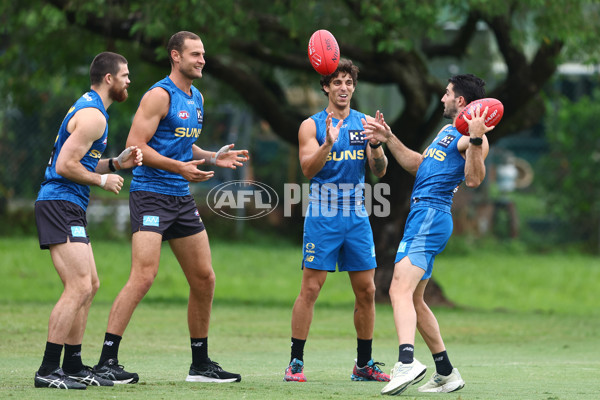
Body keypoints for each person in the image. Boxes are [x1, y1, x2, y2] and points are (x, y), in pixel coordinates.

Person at [93, 31, 248, 384]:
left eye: (203, 54)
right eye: (195, 54)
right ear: (175, 56)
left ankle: (200, 365)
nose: (202, 60)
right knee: (144, 276)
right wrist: (178, 168)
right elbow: (135, 147)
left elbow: (181, 143)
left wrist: (212, 155)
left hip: (180, 198)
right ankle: (106, 361)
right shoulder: (159, 95)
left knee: (204, 279)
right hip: (150, 194)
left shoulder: (197, 98)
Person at [362, 74, 492, 396]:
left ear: (461, 101)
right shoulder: (448, 132)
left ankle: (406, 362)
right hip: (424, 216)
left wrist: (476, 139)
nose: (443, 98)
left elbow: (474, 179)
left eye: (447, 93)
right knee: (415, 300)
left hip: (431, 215)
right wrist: (389, 138)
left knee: (397, 289)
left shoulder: (469, 136)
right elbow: (420, 165)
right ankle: (446, 372)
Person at [33, 51, 143, 389]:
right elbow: (66, 165)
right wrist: (101, 181)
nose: (129, 81)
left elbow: (82, 159)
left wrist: (114, 164)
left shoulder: (91, 108)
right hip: (59, 202)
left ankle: (74, 365)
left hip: (67, 204)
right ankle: (48, 370)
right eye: (125, 75)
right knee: (78, 286)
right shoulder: (94, 115)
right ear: (109, 78)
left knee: (89, 285)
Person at [284, 59, 390, 383]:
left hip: (357, 215)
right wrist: (329, 143)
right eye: (337, 82)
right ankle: (296, 363)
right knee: (311, 288)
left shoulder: (366, 123)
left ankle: (363, 364)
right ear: (326, 87)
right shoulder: (311, 126)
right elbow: (307, 169)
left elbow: (380, 170)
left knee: (367, 290)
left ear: (353, 87)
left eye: (348, 82)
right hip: (323, 215)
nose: (343, 88)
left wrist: (375, 145)